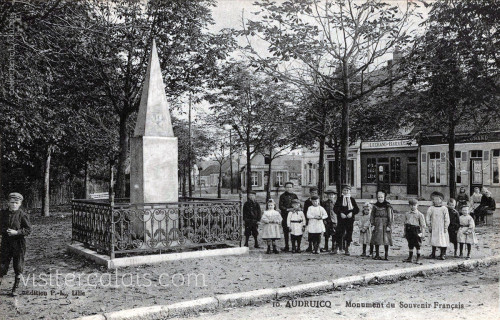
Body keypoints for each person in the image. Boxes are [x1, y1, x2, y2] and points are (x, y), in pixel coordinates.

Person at [0, 193, 31, 296]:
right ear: (8, 203)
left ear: (20, 203)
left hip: (18, 244)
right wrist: (5, 230)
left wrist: (17, 232)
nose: (13, 205)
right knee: (2, 264)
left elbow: (28, 230)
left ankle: (15, 288)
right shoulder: (3, 214)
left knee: (18, 265)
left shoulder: (22, 215)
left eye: (16, 203)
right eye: (12, 202)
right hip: (6, 243)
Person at [334, 185, 359, 255]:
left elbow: (357, 209)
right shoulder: (339, 199)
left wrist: (352, 213)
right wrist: (340, 213)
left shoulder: (352, 199)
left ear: (350, 191)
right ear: (342, 191)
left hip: (349, 219)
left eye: (347, 190)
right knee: (339, 232)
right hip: (341, 219)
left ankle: (347, 247)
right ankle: (338, 247)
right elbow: (335, 208)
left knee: (349, 233)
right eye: (344, 190)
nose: (346, 192)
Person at [370, 190, 393, 261]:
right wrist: (372, 224)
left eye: (382, 197)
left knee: (386, 239)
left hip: (385, 224)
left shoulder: (388, 206)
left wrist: (389, 225)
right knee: (376, 239)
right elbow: (372, 215)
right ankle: (377, 254)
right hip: (377, 224)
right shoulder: (375, 206)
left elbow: (390, 216)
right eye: (379, 197)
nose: (380, 198)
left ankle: (386, 255)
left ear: (384, 197)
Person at [426, 191, 450, 260]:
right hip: (434, 227)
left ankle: (443, 254)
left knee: (443, 240)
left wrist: (446, 227)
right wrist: (429, 225)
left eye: (438, 199)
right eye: (434, 199)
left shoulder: (444, 209)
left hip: (442, 227)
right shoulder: (431, 208)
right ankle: (433, 253)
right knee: (434, 240)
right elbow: (428, 217)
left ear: (441, 200)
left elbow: (447, 218)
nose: (436, 201)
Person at [402, 198, 426, 264]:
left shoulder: (420, 215)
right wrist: (405, 232)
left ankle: (418, 258)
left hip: (416, 230)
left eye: (414, 205)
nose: (413, 207)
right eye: (411, 205)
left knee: (417, 244)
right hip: (409, 229)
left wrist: (423, 233)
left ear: (417, 205)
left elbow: (423, 225)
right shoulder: (407, 214)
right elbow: (405, 223)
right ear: (409, 206)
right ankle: (410, 257)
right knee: (410, 244)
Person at [279, 182, 299, 252]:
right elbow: (280, 206)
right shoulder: (282, 196)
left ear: (292, 188)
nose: (289, 188)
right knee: (286, 231)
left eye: (290, 187)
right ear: (285, 188)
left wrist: (295, 209)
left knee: (294, 231)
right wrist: (287, 209)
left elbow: (298, 204)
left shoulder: (295, 196)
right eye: (287, 187)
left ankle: (294, 246)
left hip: (293, 217)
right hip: (285, 216)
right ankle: (286, 246)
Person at [303, 187, 318, 252]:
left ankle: (316, 246)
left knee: (317, 233)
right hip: (310, 219)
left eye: (315, 193)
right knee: (310, 233)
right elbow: (305, 211)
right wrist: (306, 220)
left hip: (317, 220)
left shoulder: (319, 201)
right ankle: (310, 246)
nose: (314, 194)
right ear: (310, 193)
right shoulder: (307, 201)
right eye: (312, 193)